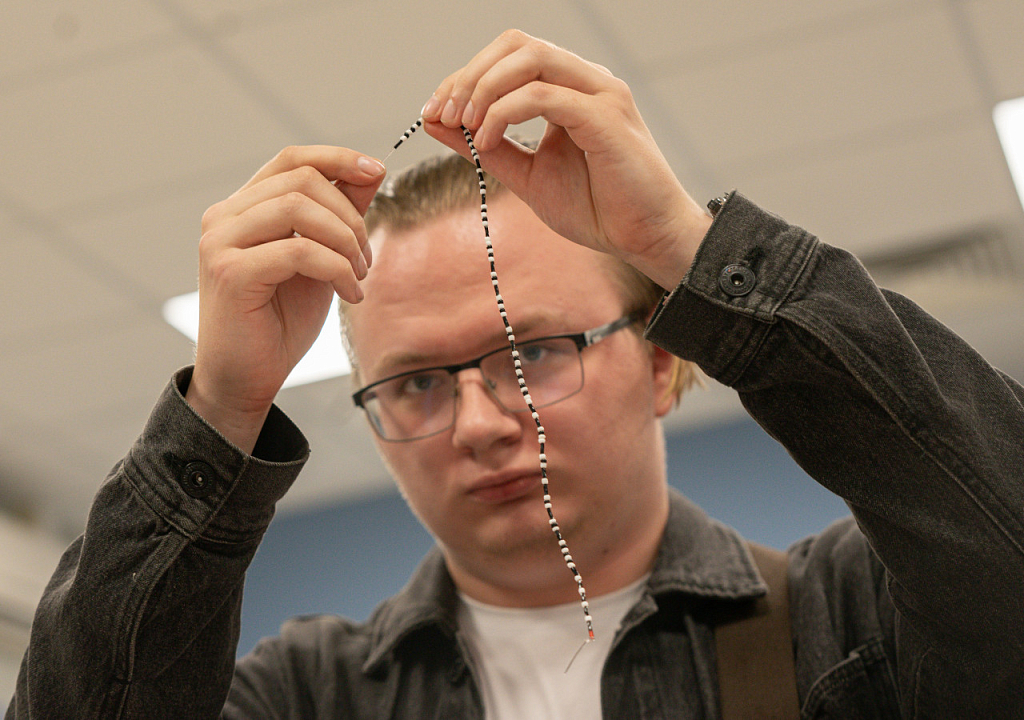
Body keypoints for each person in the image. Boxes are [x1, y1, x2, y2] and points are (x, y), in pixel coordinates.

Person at [8, 29, 1024, 720]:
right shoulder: (308, 695)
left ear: (662, 361)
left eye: (532, 354)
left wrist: (688, 248)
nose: (480, 423)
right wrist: (221, 411)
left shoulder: (847, 625)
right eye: (415, 383)